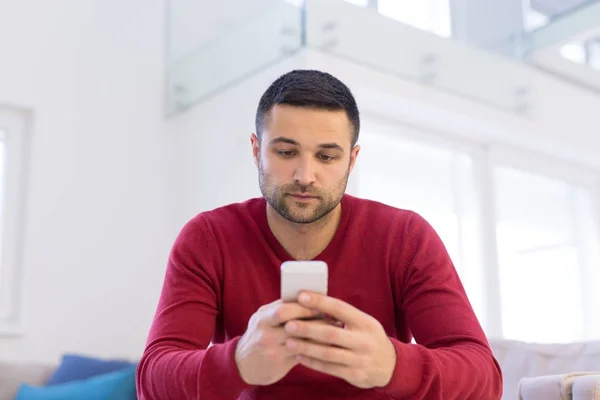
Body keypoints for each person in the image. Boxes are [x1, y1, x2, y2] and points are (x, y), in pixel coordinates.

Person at [136, 69, 503, 399]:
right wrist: (238, 363)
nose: (305, 175)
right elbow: (152, 381)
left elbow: (485, 379)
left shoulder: (406, 237)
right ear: (255, 150)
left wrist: (393, 365)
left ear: (352, 160)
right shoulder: (208, 238)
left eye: (326, 157)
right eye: (285, 151)